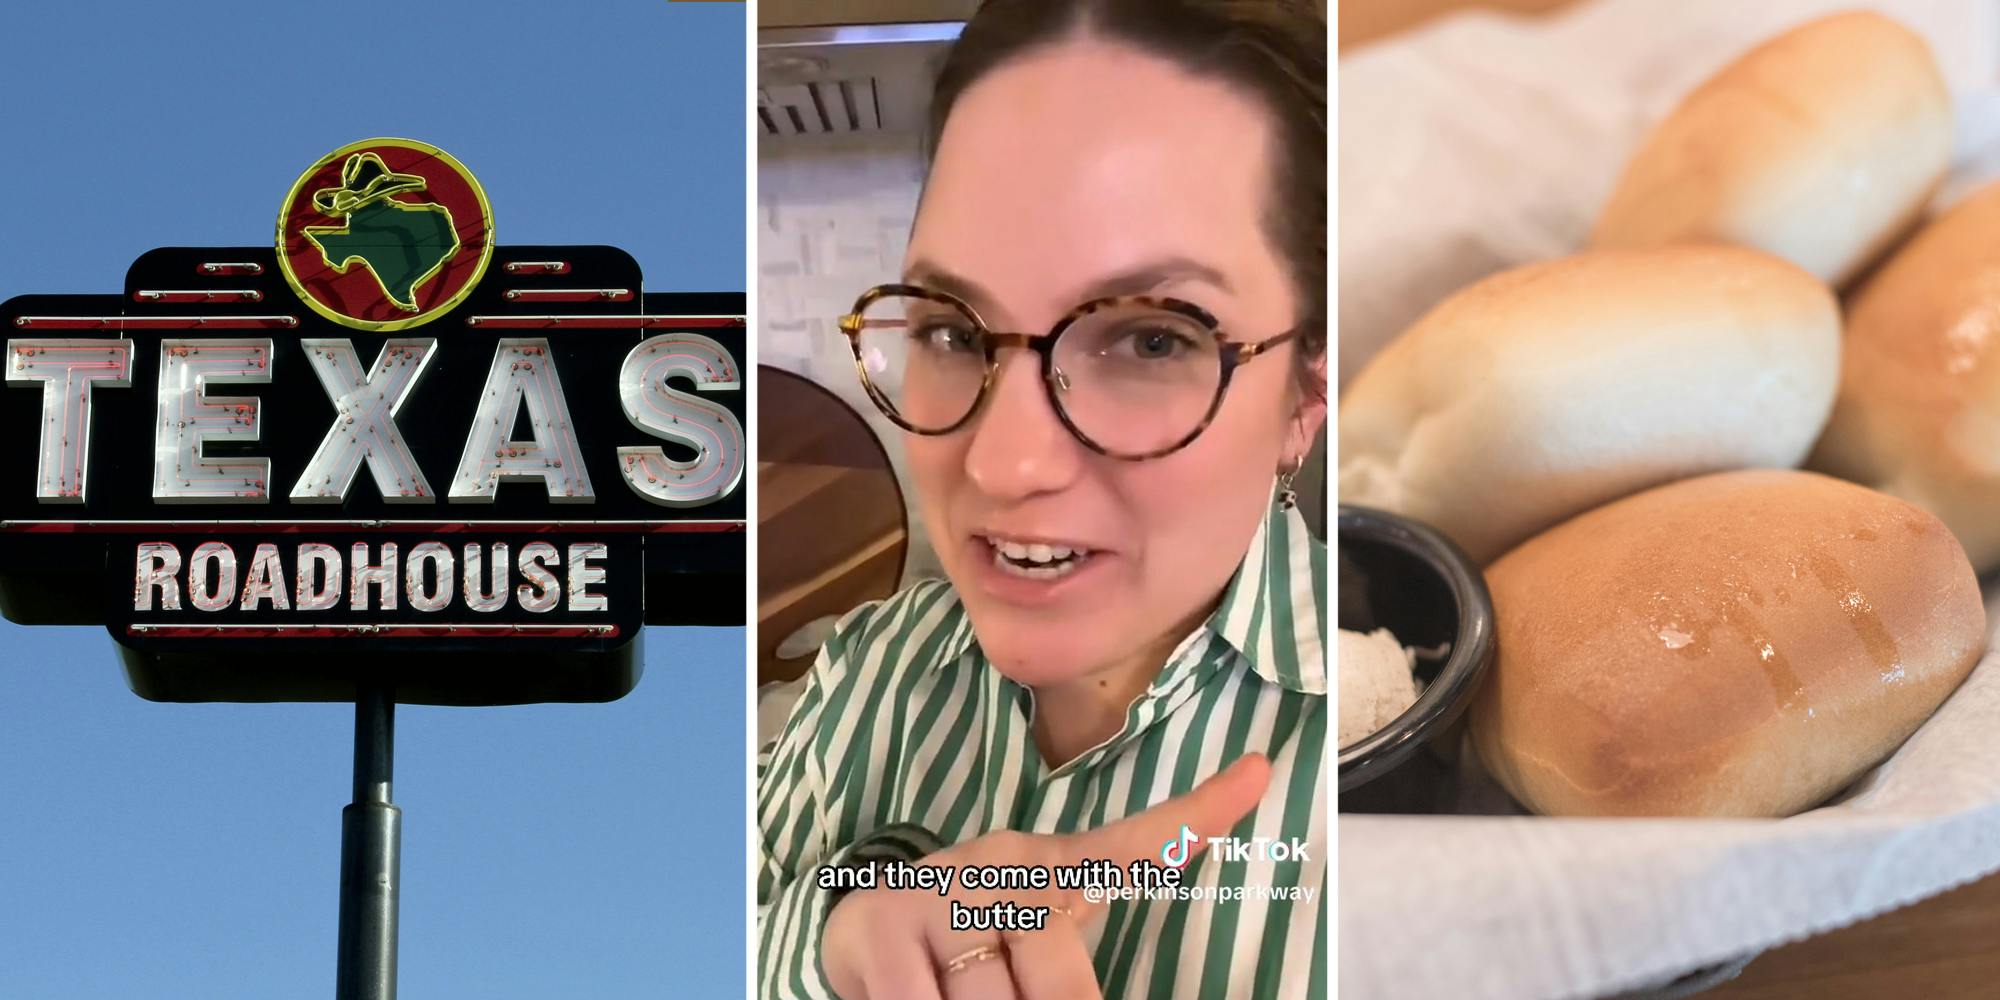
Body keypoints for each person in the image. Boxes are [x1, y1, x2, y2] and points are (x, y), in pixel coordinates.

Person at [757, 1, 1327, 997]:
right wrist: (830, 939)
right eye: (948, 329)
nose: (1002, 467)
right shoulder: (867, 667)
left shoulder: (1387, 761)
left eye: (1153, 338)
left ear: (1304, 400)